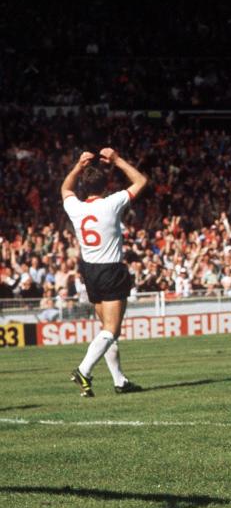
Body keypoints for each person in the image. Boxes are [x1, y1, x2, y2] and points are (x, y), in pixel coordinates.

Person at [61, 148, 148, 397]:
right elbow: (141, 181)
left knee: (107, 330)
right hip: (110, 268)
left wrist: (78, 165)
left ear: (84, 187)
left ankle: (119, 380)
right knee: (111, 329)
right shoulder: (112, 203)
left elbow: (65, 189)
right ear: (106, 185)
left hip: (89, 271)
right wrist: (118, 159)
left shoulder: (75, 207)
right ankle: (83, 370)